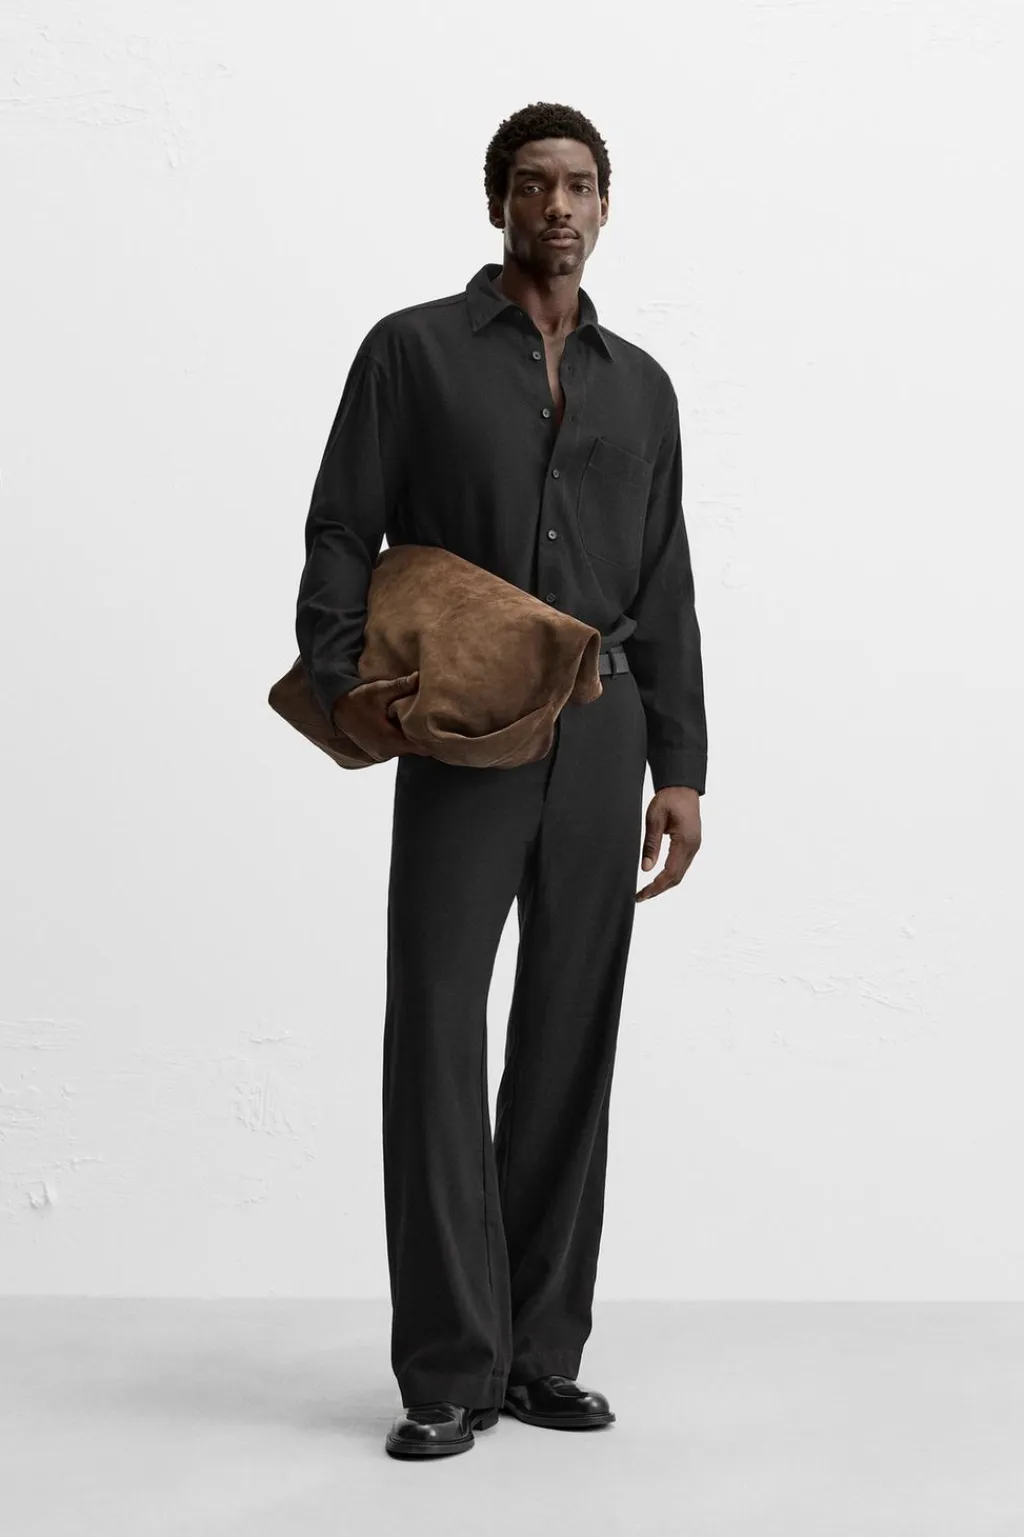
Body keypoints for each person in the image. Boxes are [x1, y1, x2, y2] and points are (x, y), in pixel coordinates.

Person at [295, 100, 708, 1460]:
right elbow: (344, 525)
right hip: (465, 725)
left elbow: (667, 579)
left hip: (603, 727)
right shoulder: (412, 351)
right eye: (534, 184)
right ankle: (446, 1368)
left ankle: (539, 1356)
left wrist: (681, 764)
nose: (558, 206)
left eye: (580, 184)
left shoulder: (643, 387)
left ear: (606, 205)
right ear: (498, 203)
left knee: (570, 1036)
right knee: (435, 1022)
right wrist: (343, 674)